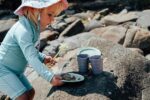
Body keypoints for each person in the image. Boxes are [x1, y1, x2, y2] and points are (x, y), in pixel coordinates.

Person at [0, 0, 68, 100]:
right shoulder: (23, 30)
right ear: (34, 10)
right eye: (50, 14)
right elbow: (31, 57)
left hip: (16, 71)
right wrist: (50, 77)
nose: (52, 19)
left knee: (30, 92)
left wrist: (43, 58)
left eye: (54, 16)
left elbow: (31, 50)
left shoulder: (33, 27)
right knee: (23, 97)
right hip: (3, 70)